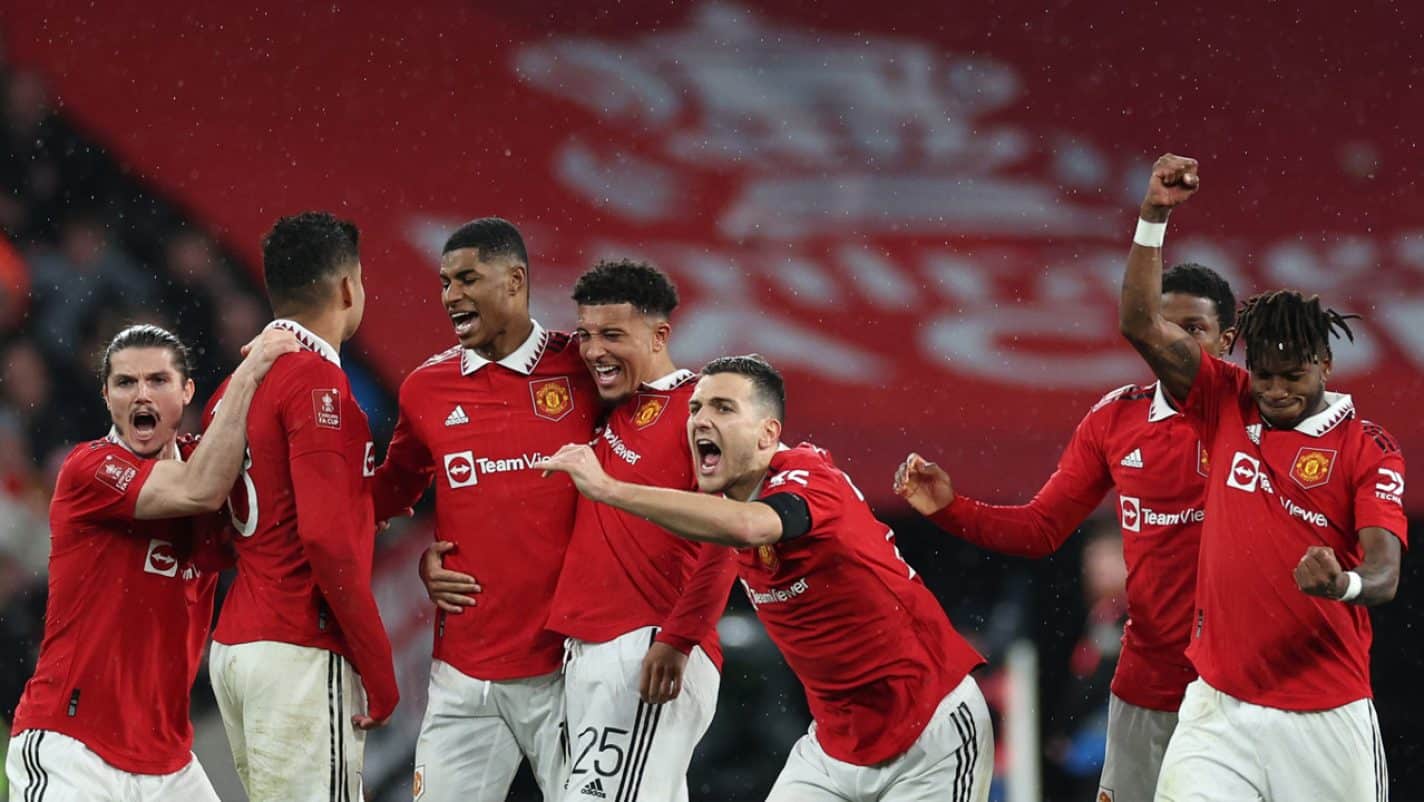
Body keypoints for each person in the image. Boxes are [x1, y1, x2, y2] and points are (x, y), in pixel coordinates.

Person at [538, 355, 993, 801]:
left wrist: (609, 490)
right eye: (695, 407)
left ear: (767, 434)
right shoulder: (731, 506)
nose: (699, 420)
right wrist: (679, 639)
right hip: (835, 748)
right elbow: (719, 541)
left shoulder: (811, 479)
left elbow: (750, 526)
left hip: (931, 734)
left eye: (723, 408)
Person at [1118, 154, 1406, 802]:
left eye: (1292, 376)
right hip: (1216, 711)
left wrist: (1346, 583)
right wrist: (1154, 215)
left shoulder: (1369, 449)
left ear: (1326, 363)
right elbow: (1139, 323)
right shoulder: (1227, 397)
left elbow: (1386, 573)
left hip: (1325, 719)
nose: (1274, 390)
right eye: (1265, 372)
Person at [894, 262, 1238, 801]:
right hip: (1146, 684)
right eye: (1163, 326)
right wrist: (950, 509)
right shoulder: (1115, 421)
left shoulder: (1256, 415)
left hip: (1240, 683)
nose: (1173, 343)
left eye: (1192, 329)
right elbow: (1039, 529)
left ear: (1228, 340)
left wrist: (1154, 214)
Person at [433, 259, 737, 801]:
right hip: (588, 652)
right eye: (586, 334)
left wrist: (679, 637)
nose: (593, 350)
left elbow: (731, 534)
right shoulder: (609, 410)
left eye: (613, 335)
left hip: (647, 647)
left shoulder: (700, 414)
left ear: (661, 334)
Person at [5, 322, 297, 800]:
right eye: (125, 382)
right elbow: (197, 490)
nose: (142, 395)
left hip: (169, 763)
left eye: (158, 380)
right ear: (106, 397)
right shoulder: (89, 469)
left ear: (186, 392)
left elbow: (287, 515)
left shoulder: (209, 461)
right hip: (72, 750)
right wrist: (249, 375)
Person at [372, 218, 598, 801]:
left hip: (570, 667)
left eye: (468, 278)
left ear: (516, 280)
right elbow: (387, 495)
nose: (451, 296)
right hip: (464, 673)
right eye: (445, 282)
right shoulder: (426, 388)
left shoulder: (586, 370)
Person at [204, 211, 399, 802]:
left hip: (237, 645)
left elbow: (216, 520)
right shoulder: (317, 384)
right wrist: (377, 662)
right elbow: (326, 540)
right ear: (347, 288)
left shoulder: (234, 385)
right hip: (298, 647)